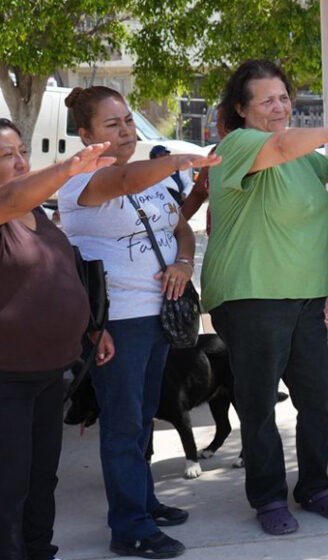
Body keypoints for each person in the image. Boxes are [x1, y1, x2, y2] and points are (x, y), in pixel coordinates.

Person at [203, 59, 328, 536]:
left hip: (305, 296)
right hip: (252, 295)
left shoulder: (301, 154)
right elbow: (280, 145)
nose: (279, 107)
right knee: (259, 404)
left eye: (283, 98)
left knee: (317, 398)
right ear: (242, 109)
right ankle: (268, 496)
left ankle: (315, 487)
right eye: (267, 100)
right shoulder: (239, 144)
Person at [56, 86, 222, 558]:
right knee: (123, 425)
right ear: (86, 134)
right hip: (119, 323)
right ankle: (129, 526)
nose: (127, 130)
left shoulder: (150, 179)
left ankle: (144, 503)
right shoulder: (80, 181)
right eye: (113, 125)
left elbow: (179, 228)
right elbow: (124, 181)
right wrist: (181, 161)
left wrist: (184, 263)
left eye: (129, 120)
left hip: (158, 317)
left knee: (144, 416)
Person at [0, 121, 115, 560]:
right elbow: (10, 199)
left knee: (42, 476)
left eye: (22, 151)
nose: (20, 161)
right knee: (9, 483)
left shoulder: (38, 212)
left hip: (51, 373)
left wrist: (90, 326)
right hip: (8, 377)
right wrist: (68, 169)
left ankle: (39, 551)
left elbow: (58, 274)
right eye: (6, 155)